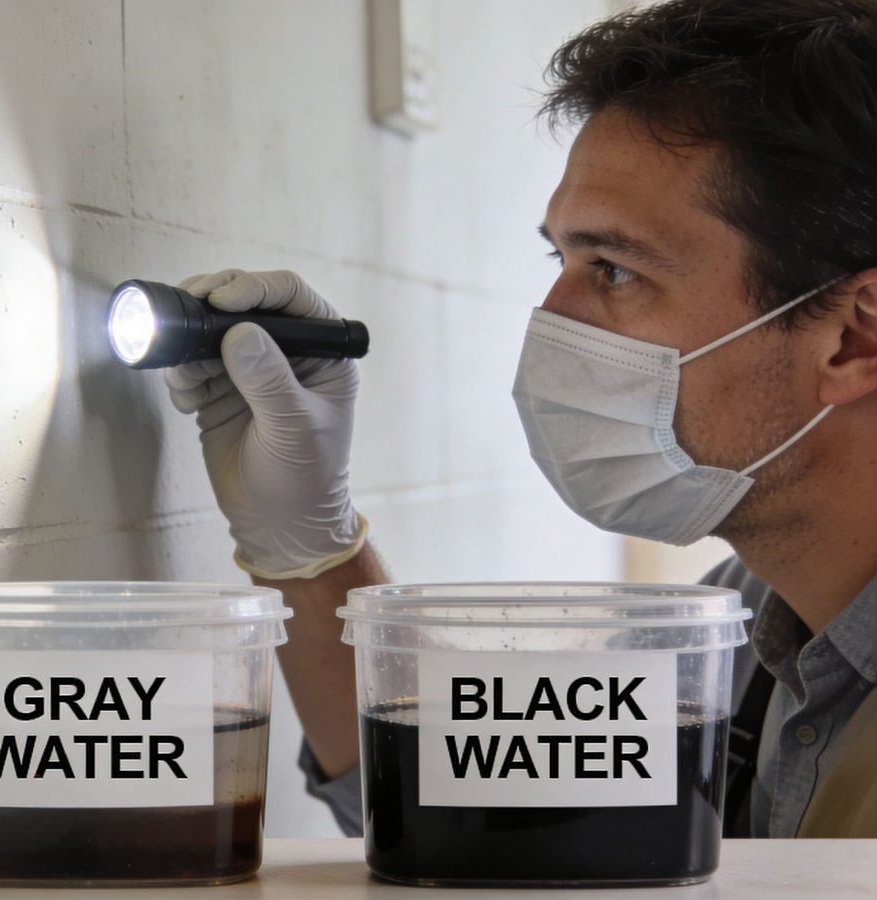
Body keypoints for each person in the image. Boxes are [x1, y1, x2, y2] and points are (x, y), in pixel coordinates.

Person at [164, 0, 877, 838]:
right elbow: (480, 809)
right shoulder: (756, 627)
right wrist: (308, 546)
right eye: (561, 258)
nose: (552, 320)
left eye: (613, 269)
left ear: (853, 338)